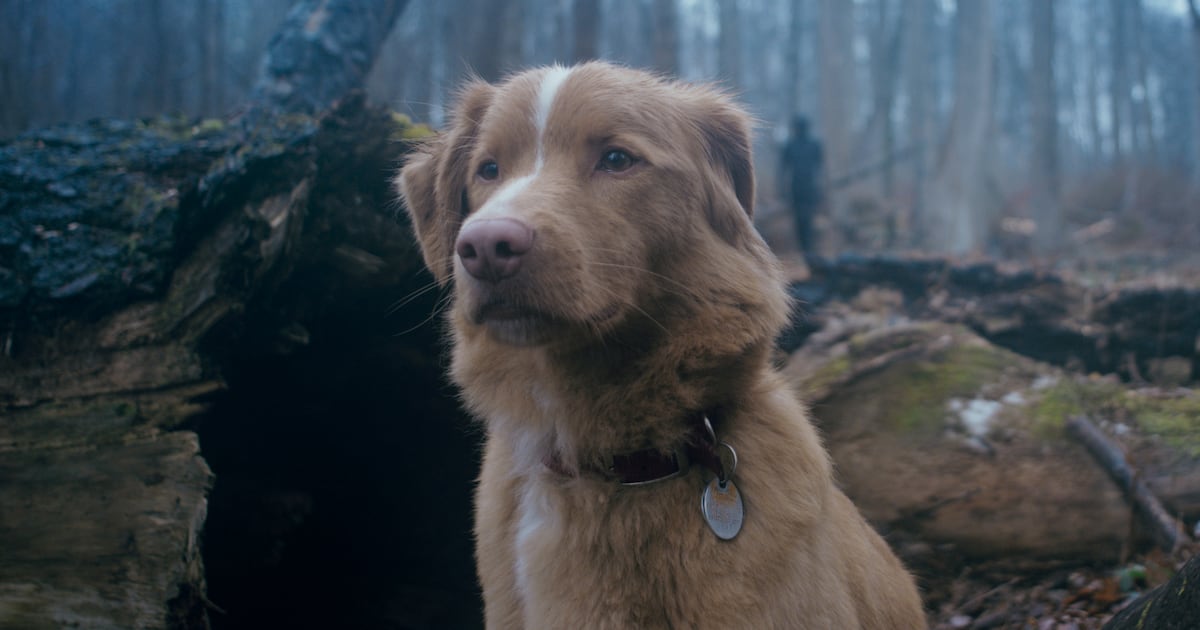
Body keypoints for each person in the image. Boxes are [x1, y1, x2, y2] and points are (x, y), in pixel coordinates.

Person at [779, 116, 823, 260]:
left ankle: (808, 250)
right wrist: (782, 191)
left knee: (806, 220)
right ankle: (805, 250)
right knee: (801, 220)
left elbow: (820, 169)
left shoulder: (814, 145)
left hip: (807, 188)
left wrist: (821, 190)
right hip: (800, 188)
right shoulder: (791, 146)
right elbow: (782, 170)